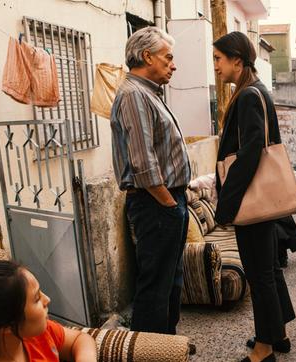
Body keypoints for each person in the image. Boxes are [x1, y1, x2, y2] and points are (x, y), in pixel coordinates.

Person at [213, 31, 295, 362]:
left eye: (218, 59)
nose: (215, 66)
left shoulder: (248, 95)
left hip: (251, 199)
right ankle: (278, 334)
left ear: (236, 60)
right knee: (269, 269)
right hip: (260, 198)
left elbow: (249, 154)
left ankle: (264, 350)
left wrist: (226, 205)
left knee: (260, 274)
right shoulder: (255, 90)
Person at [110, 27, 191, 334]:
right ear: (147, 57)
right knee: (156, 285)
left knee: (171, 279)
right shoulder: (134, 95)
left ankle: (166, 345)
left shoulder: (147, 93)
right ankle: (148, 351)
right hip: (156, 202)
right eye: (168, 57)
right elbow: (143, 164)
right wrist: (170, 205)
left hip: (167, 201)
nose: (173, 64)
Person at [0, 260, 97, 362]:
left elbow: (80, 340)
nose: (47, 299)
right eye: (36, 298)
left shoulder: (40, 335)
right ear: (8, 326)